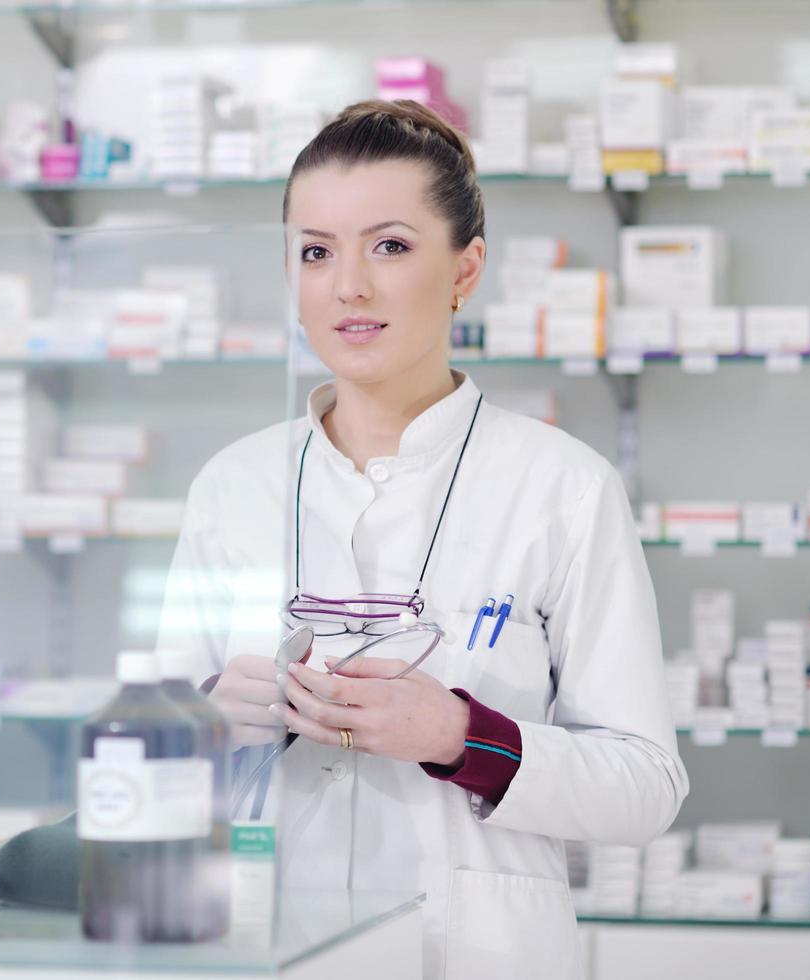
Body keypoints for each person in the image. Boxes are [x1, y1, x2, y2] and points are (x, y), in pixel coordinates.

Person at [157, 99, 688, 980]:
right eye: (315, 252)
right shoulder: (232, 483)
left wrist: (459, 735)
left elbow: (644, 787)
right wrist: (212, 719)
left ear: (464, 269)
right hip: (267, 947)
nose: (348, 286)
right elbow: (153, 751)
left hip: (476, 955)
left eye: (390, 246)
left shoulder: (560, 485)